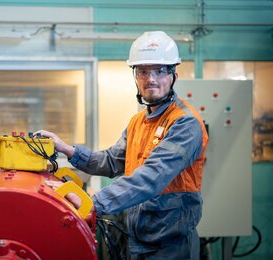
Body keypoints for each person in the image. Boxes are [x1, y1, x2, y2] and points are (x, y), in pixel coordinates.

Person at [38, 31, 208, 260]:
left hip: (170, 245)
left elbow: (153, 176)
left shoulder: (185, 123)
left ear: (174, 75)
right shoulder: (138, 121)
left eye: (160, 70)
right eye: (143, 71)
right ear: (135, 77)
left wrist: (94, 202)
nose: (151, 79)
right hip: (137, 237)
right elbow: (111, 161)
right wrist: (67, 149)